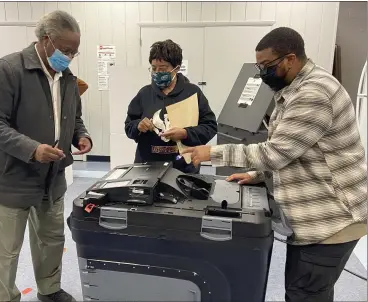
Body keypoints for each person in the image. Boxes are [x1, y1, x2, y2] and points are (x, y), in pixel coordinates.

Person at [182, 27, 367, 302]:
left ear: (290, 59)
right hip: (315, 218)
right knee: (304, 290)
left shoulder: (313, 93)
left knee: (304, 294)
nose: (261, 72)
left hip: (330, 220)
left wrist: (212, 153)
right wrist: (258, 175)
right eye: (258, 66)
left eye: (267, 66)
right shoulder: (292, 89)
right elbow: (296, 150)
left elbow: (276, 153)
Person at [0, 10, 92, 302]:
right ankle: (7, 297)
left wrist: (81, 135)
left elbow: (73, 116)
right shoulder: (7, 70)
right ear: (45, 40)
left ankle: (49, 290)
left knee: (51, 240)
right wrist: (32, 149)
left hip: (51, 179)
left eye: (74, 52)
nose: (69, 56)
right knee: (6, 249)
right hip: (11, 178)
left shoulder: (66, 77)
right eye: (65, 50)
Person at [124, 39, 217, 173]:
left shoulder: (192, 93)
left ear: (177, 68)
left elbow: (210, 126)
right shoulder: (144, 94)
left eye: (162, 69)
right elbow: (128, 126)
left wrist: (185, 133)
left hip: (183, 167)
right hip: (147, 167)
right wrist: (138, 125)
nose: (157, 73)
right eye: (154, 68)